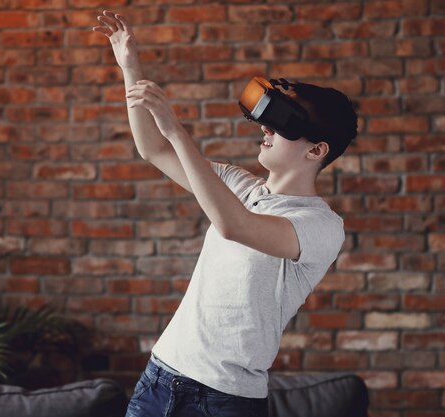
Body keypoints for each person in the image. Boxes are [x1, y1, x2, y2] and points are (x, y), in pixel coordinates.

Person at [92, 9, 358, 417]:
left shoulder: (321, 226)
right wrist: (131, 67)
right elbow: (153, 149)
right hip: (159, 378)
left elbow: (234, 225)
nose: (265, 129)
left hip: (223, 400)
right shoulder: (236, 184)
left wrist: (177, 129)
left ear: (316, 150)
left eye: (280, 125)